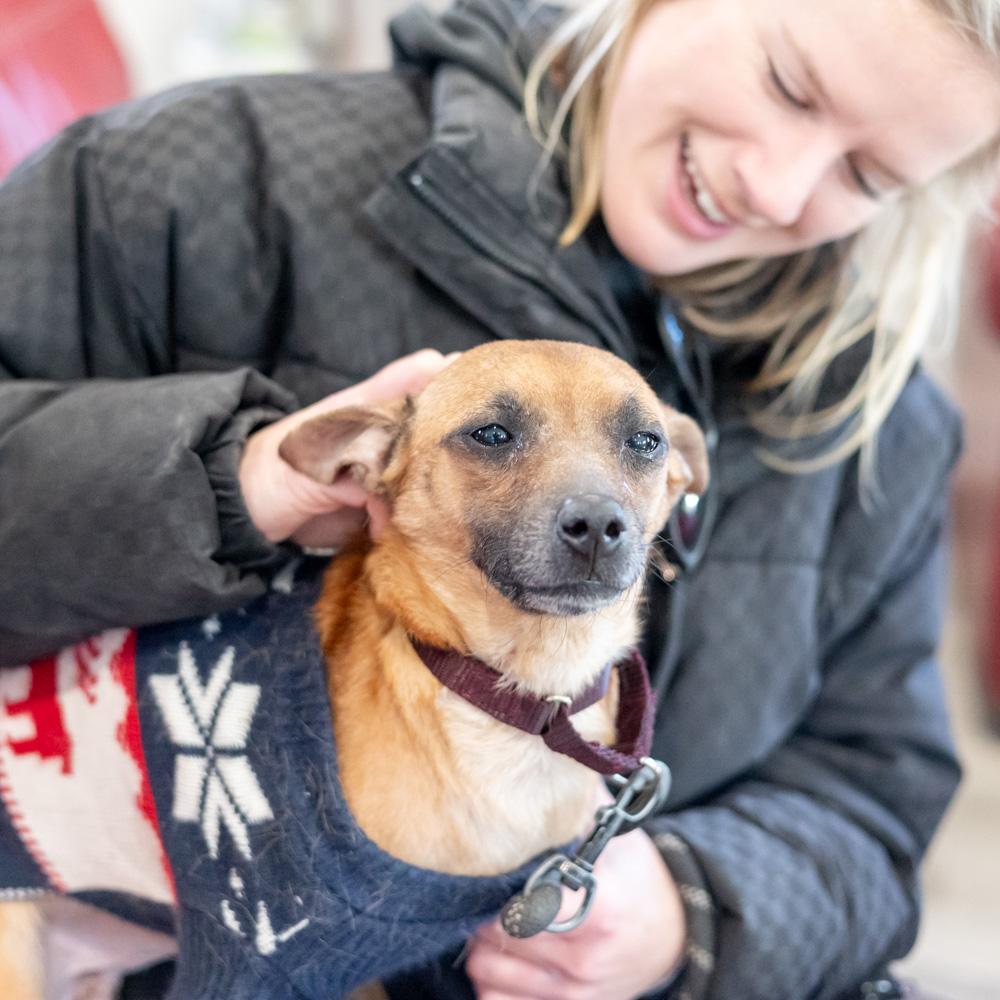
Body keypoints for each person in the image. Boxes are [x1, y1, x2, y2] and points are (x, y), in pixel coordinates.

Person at [0, 0, 997, 997]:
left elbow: (873, 799)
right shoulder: (202, 176)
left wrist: (696, 910)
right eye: (786, 80)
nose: (774, 184)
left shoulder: (877, 426)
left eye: (867, 176)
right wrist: (233, 481)